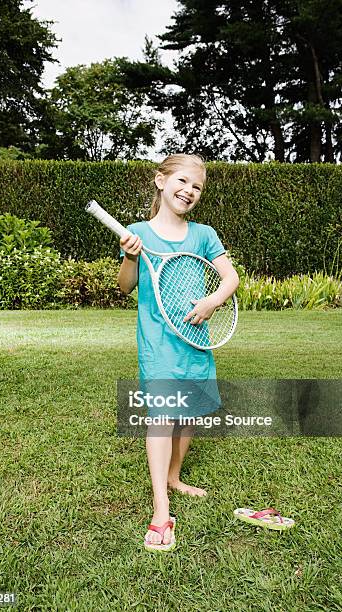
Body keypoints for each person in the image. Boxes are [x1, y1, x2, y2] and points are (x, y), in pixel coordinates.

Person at [118, 153, 239, 551]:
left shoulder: (203, 234)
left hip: (195, 339)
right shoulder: (137, 232)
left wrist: (212, 303)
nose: (189, 191)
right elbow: (125, 287)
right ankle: (160, 502)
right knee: (162, 413)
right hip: (158, 342)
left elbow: (230, 277)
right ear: (160, 180)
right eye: (182, 181)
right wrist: (132, 257)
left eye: (197, 186)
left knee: (188, 413)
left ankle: (174, 476)